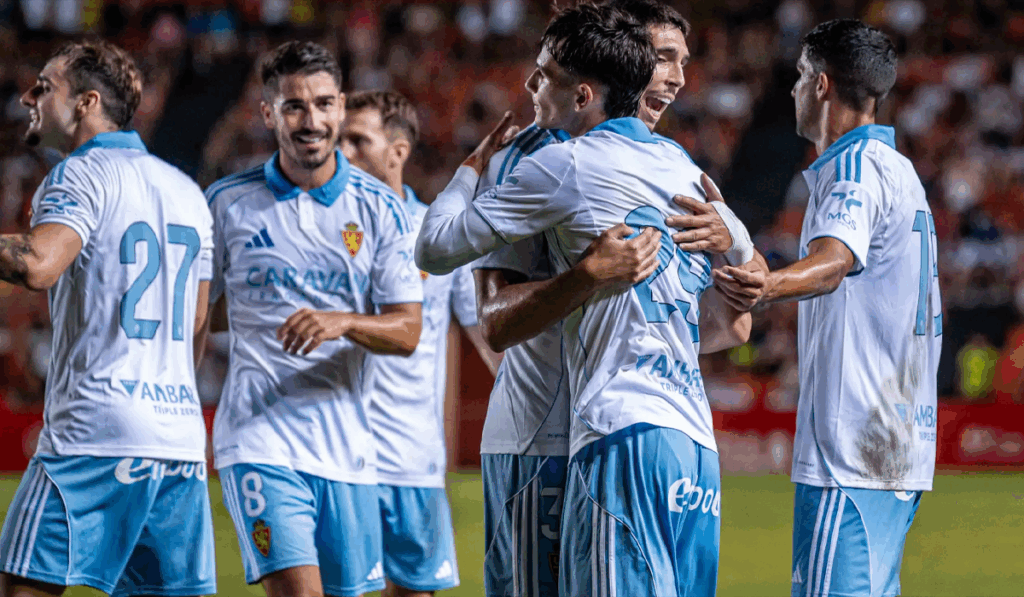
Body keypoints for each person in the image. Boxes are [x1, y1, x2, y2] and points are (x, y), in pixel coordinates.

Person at [415, 3, 757, 595]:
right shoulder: (682, 168)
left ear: (585, 91)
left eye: (545, 73)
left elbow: (437, 252)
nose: (673, 78)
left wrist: (471, 169)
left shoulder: (557, 163)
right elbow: (735, 320)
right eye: (662, 59)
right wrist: (737, 239)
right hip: (684, 442)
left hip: (608, 432)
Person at [711, 19, 941, 597]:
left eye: (798, 75)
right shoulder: (900, 170)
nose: (792, 89)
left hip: (853, 449)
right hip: (896, 443)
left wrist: (764, 287)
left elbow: (835, 261)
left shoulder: (854, 167)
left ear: (821, 84)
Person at [201, 42, 423, 597]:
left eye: (324, 104)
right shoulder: (226, 203)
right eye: (294, 106)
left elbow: (407, 330)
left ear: (341, 106)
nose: (311, 121)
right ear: (267, 113)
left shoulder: (380, 208)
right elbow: (198, 317)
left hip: (348, 448)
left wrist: (343, 322)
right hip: (257, 439)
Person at [0, 41, 216, 597]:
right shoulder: (187, 191)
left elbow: (39, 264)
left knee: (23, 587)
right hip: (178, 440)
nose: (29, 97)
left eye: (45, 86)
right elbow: (198, 321)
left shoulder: (79, 175)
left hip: (93, 435)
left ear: (86, 103)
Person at [339, 89, 501, 597]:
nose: (340, 151)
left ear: (398, 151)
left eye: (356, 140)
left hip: (411, 456)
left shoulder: (438, 234)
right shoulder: (319, 228)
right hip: (330, 452)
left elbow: (492, 341)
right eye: (338, 139)